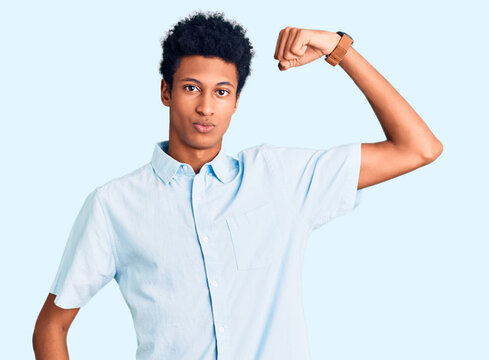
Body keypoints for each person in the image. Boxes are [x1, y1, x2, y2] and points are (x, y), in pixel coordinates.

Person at [32, 10, 441, 359]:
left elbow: (418, 148)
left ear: (236, 101)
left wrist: (339, 48)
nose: (206, 107)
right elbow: (52, 326)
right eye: (191, 87)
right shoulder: (114, 205)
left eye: (222, 92)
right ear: (166, 92)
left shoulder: (281, 178)